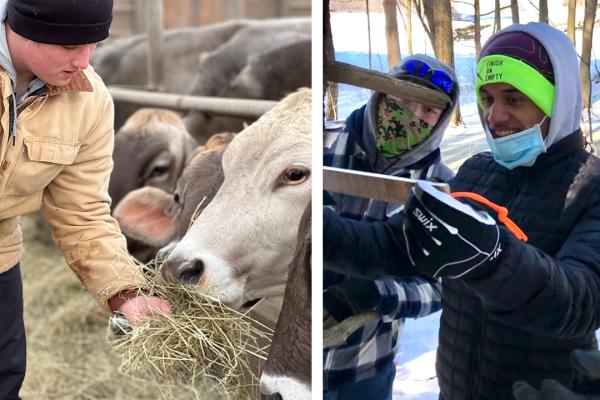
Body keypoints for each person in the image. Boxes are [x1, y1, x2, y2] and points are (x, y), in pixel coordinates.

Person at [324, 22, 600, 399]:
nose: (494, 116)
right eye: (487, 99)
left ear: (558, 99)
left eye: (513, 99)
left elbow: (581, 300)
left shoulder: (590, 186)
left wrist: (494, 259)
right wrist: (318, 228)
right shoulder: (475, 173)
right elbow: (397, 243)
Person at [0, 1, 171, 398]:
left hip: (1, 254)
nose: (83, 61)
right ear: (23, 27)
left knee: (5, 376)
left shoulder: (89, 101)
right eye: (69, 46)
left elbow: (83, 212)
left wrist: (124, 293)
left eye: (93, 44)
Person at [323, 54, 459, 400]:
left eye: (429, 110)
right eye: (406, 98)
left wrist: (374, 294)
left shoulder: (441, 188)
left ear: (442, 119)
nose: (413, 115)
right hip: (288, 346)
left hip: (365, 365)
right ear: (382, 94)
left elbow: (441, 285)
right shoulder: (320, 143)